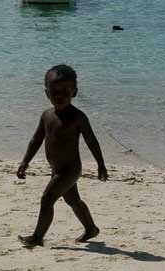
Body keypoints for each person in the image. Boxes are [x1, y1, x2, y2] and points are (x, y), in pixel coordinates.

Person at [17, 64, 108, 248]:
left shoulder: (78, 117)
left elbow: (92, 141)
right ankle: (91, 228)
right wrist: (25, 161)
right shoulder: (46, 115)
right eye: (54, 91)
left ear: (74, 92)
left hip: (70, 169)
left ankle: (37, 237)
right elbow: (36, 139)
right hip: (56, 168)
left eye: (65, 91)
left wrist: (101, 164)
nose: (59, 96)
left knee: (47, 199)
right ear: (46, 93)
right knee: (73, 200)